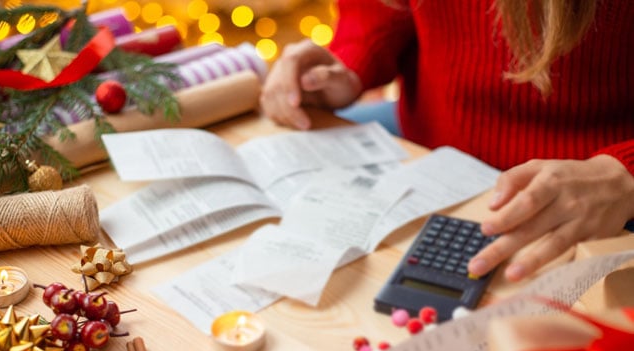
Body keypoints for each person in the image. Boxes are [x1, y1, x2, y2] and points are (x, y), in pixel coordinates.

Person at [259, 0, 634, 282]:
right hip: (431, 150)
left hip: (598, 193)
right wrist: (346, 66)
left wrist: (623, 173)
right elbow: (381, 10)